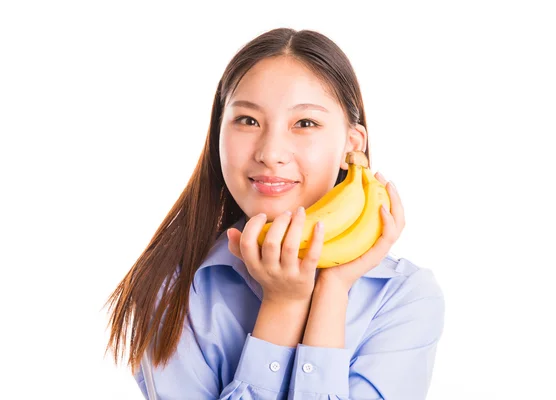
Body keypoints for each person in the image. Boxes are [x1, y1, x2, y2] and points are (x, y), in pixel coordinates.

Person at [104, 27, 445, 400]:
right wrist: (284, 304)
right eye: (248, 120)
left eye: (305, 123)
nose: (271, 152)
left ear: (352, 145)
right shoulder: (174, 289)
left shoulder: (404, 297)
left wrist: (332, 290)